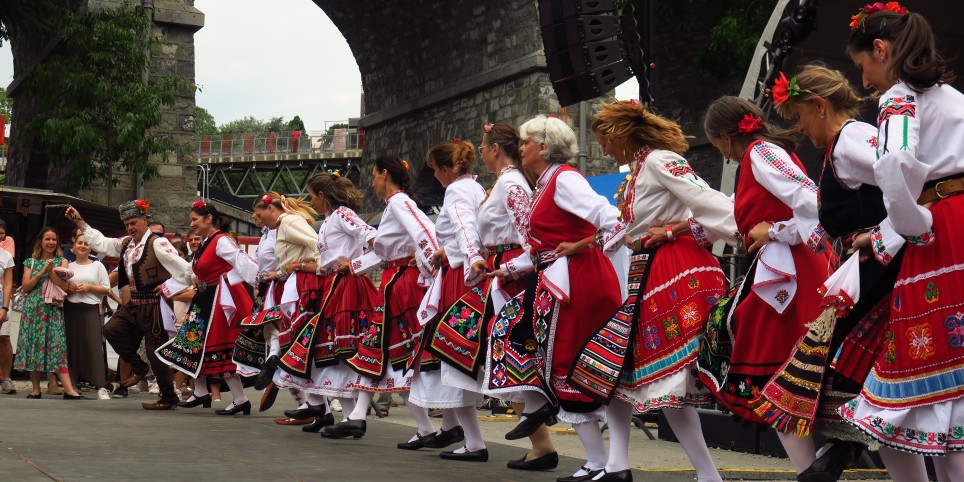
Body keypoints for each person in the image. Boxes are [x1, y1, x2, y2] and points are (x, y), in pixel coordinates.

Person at [751, 64, 910, 481]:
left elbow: (907, 178)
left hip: (881, 273)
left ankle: (837, 450)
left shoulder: (850, 140)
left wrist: (881, 236)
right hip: (869, 271)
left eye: (800, 116)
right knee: (851, 381)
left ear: (820, 106)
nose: (800, 129)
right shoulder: (844, 145)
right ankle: (839, 449)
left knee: (817, 375)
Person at [574, 99, 738, 482]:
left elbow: (709, 201)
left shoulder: (661, 161)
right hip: (646, 274)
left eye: (604, 142)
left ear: (619, 136)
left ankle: (707, 475)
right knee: (616, 372)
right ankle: (618, 464)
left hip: (673, 272)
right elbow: (632, 228)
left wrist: (682, 228)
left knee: (666, 379)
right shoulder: (639, 169)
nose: (604, 151)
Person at [839, 6, 964, 481]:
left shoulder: (899, 97)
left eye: (862, 66)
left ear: (880, 50)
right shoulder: (952, 97)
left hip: (943, 231)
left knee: (938, 372)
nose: (864, 80)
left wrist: (914, 226)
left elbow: (893, 166)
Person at [485, 115, 626, 482]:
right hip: (557, 278)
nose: (521, 148)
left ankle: (600, 460)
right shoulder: (546, 183)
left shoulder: (564, 179)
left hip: (579, 280)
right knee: (520, 338)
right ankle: (550, 414)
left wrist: (585, 243)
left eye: (526, 142)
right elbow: (543, 246)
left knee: (571, 363)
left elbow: (612, 219)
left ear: (544, 146)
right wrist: (508, 269)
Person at [701, 97, 833, 475]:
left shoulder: (761, 153)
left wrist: (775, 230)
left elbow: (812, 199)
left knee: (773, 373)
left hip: (792, 273)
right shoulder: (759, 157)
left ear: (726, 138)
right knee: (787, 373)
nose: (722, 153)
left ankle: (815, 468)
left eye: (717, 145)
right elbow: (740, 211)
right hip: (785, 270)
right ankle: (821, 463)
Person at [322, 155, 436, 440]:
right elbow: (385, 251)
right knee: (383, 351)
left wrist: (433, 266)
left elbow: (425, 232)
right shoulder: (394, 205)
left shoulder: (398, 202)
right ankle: (362, 417)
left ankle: (442, 427)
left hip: (403, 284)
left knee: (401, 353)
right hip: (393, 282)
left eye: (374, 175)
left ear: (385, 174)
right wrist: (355, 265)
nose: (372, 182)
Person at [469, 122, 559, 471]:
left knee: (516, 348)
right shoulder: (504, 183)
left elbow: (530, 236)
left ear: (494, 149)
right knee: (509, 352)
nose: (481, 153)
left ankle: (541, 426)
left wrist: (509, 268)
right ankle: (541, 444)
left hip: (515, 276)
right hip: (503, 270)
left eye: (483, 146)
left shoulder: (511, 183)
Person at [66, 200, 194, 410]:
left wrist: (168, 286)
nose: (130, 227)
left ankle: (169, 397)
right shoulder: (127, 243)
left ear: (145, 220)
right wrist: (80, 222)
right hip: (135, 304)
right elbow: (102, 243)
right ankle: (138, 366)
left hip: (154, 305)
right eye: (127, 224)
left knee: (155, 352)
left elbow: (185, 269)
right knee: (112, 329)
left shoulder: (157, 243)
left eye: (133, 223)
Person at [275, 171, 376, 433]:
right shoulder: (330, 219)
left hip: (348, 286)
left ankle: (345, 414)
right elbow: (327, 261)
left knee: (344, 349)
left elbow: (371, 236)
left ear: (322, 195)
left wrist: (357, 264)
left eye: (312, 196)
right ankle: (347, 417)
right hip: (333, 284)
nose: (311, 202)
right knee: (333, 351)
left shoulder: (342, 214)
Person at [410, 139, 488, 460]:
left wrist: (467, 256)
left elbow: (467, 229)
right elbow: (471, 231)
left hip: (459, 278)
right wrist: (451, 249)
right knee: (460, 356)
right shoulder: (476, 188)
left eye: (435, 170)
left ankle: (475, 442)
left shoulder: (455, 191)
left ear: (445, 169)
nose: (434, 177)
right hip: (463, 269)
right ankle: (463, 434)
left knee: (454, 355)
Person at [158, 201, 257, 415]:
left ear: (209, 218)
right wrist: (168, 287)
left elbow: (240, 261)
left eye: (195, 219)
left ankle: (239, 398)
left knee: (218, 347)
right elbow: (192, 273)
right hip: (205, 298)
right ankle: (201, 391)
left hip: (219, 300)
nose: (191, 224)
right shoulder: (206, 243)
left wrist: (259, 277)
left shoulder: (221, 240)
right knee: (194, 344)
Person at [251, 192, 326, 420]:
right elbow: (290, 259)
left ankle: (315, 404)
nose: (258, 219)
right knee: (292, 339)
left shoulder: (289, 222)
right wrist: (282, 273)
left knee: (301, 341)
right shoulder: (279, 226)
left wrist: (316, 268)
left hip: (304, 283)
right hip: (291, 282)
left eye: (259, 214)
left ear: (270, 209)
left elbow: (316, 245)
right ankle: (318, 408)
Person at [14, 227, 82, 399]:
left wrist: (51, 271)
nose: (51, 242)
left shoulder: (62, 261)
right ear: (40, 241)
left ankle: (68, 389)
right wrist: (42, 272)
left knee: (58, 347)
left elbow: (65, 286)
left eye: (54, 239)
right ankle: (36, 389)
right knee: (33, 346)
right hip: (33, 310)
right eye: (47, 239)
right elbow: (26, 287)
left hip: (53, 309)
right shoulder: (30, 262)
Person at [65, 234, 112, 400]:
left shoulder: (97, 265)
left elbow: (107, 289)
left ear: (91, 247)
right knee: (71, 348)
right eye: (79, 243)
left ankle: (101, 386)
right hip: (70, 308)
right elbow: (61, 287)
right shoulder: (68, 265)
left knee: (94, 347)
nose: (82, 246)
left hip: (90, 308)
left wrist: (89, 288)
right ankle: (72, 386)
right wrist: (69, 288)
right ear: (73, 246)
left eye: (86, 243)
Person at [0, 228, 16, 395]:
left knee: (3, 338)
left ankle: (6, 379)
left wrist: (4, 307)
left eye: (1, 233)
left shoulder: (6, 256)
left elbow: (7, 284)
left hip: (1, 300)